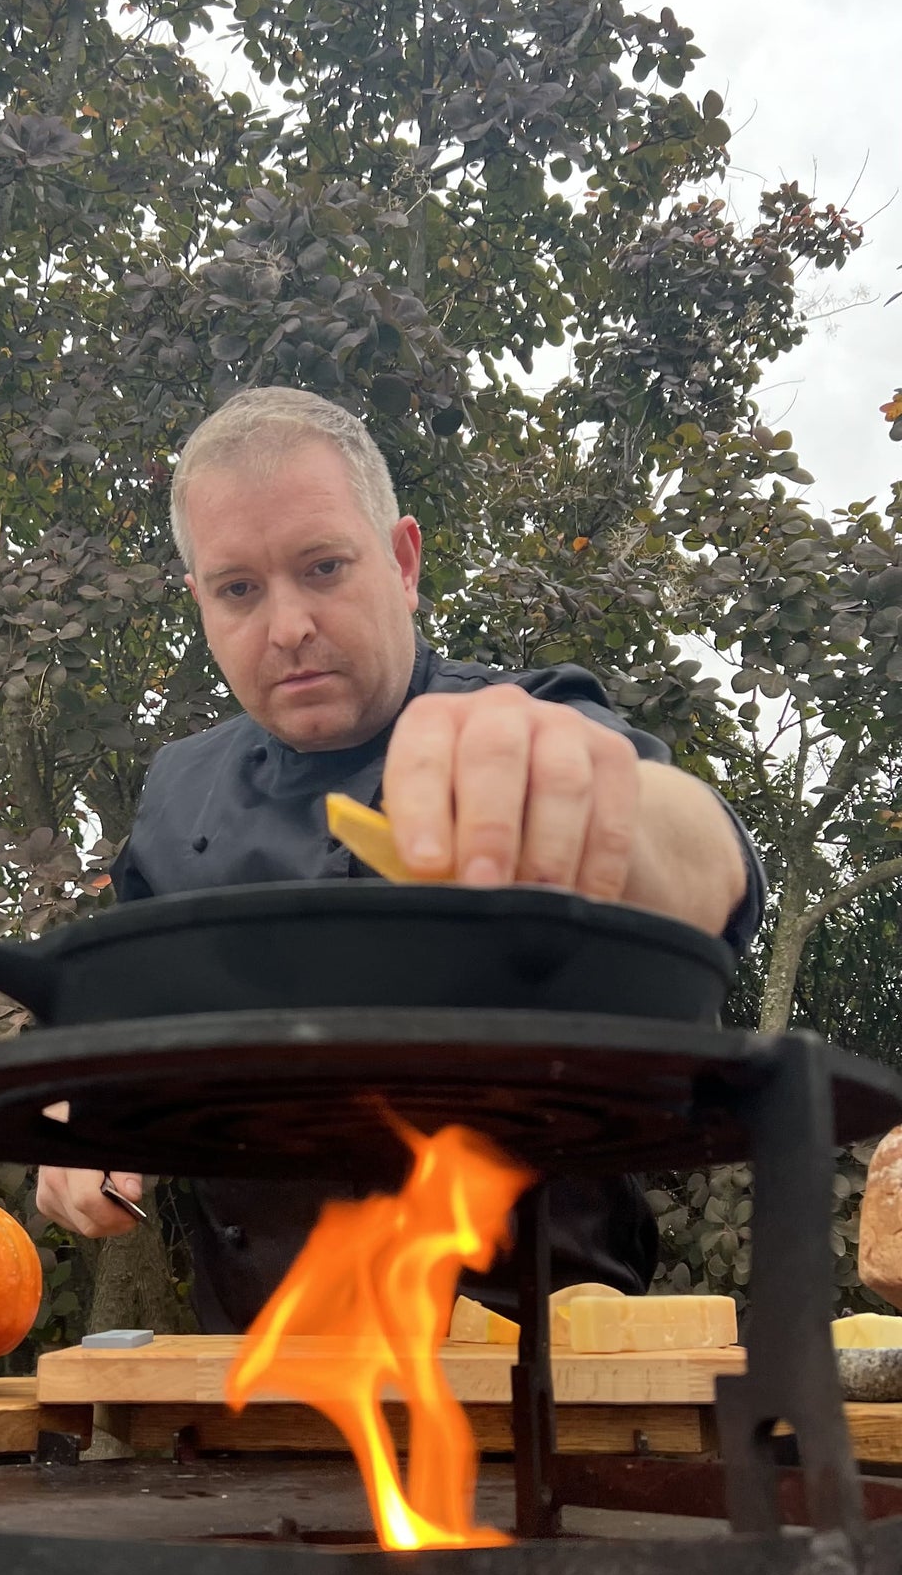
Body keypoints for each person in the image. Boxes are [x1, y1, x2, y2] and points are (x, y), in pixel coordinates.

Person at [37, 389, 762, 1327]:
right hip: (252, 1386)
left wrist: (626, 811)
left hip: (544, 1371)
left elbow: (708, 868)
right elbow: (125, 1018)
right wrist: (77, 1110)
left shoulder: (528, 720)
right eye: (240, 589)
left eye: (324, 566)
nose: (288, 623)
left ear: (403, 560)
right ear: (203, 605)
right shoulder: (176, 793)